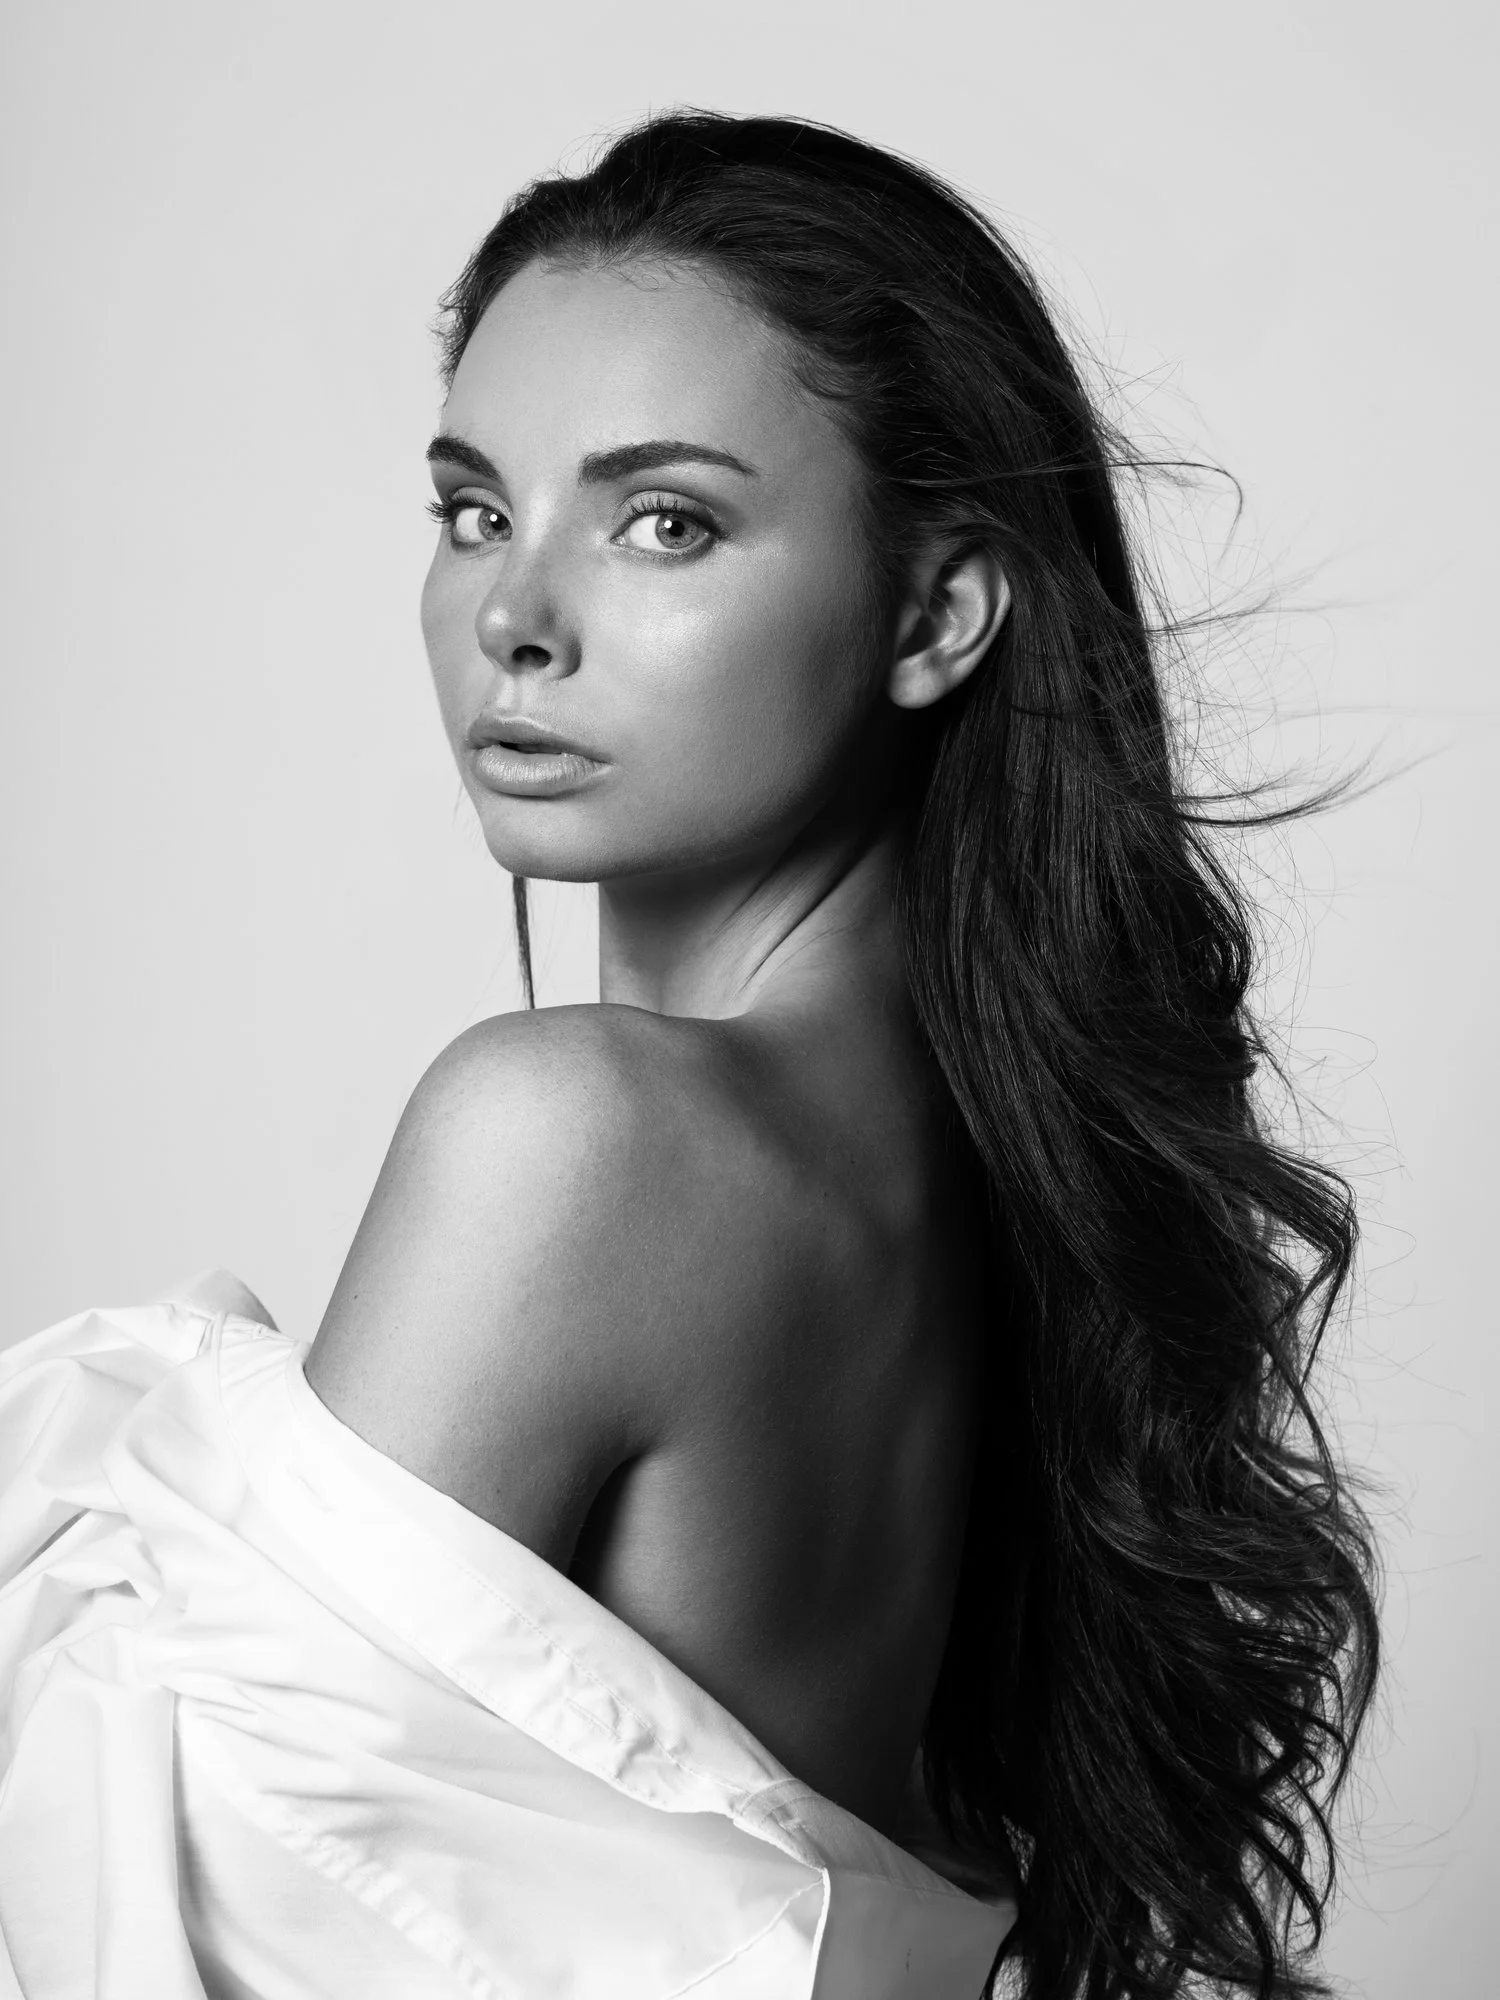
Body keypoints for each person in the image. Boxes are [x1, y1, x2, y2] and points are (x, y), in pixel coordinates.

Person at [0, 111, 1379, 2000]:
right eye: (477, 508)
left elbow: (175, 1946)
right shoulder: (983, 1181)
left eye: (665, 521)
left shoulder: (571, 1135)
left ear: (935, 610)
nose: (514, 616)